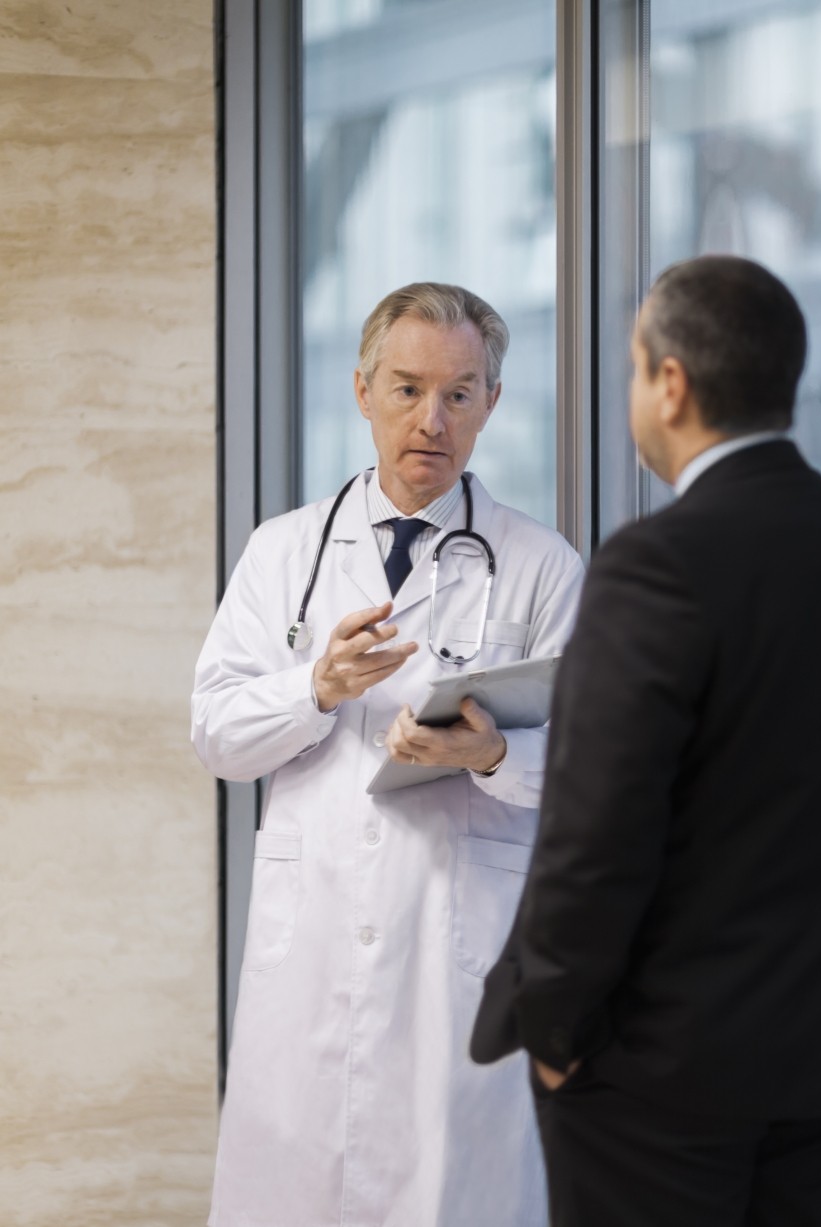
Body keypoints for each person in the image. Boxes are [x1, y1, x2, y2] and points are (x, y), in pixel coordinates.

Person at [470, 254, 821, 1227]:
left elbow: (595, 826)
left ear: (672, 383)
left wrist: (555, 1025)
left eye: (635, 369)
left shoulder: (655, 564)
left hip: (665, 1065)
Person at [193, 282, 583, 1227]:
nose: (431, 420)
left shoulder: (541, 565)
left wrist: (493, 756)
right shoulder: (283, 552)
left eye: (459, 393)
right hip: (312, 948)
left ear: (492, 402)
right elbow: (216, 734)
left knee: (452, 1193)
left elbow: (591, 770)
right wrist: (316, 687)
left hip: (458, 951)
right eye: (407, 389)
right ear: (361, 390)